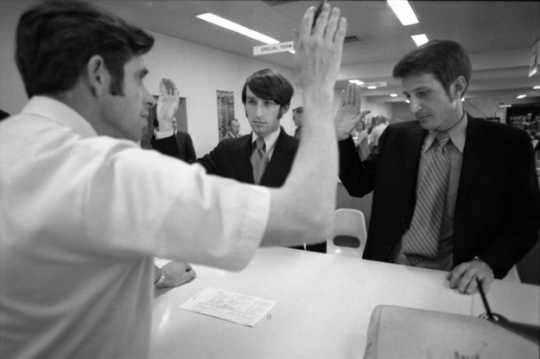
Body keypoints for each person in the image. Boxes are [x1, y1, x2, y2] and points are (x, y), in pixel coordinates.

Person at [0, 1, 346, 358]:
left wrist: (159, 277)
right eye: (139, 78)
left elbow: (78, 272)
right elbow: (311, 214)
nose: (148, 97)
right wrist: (318, 88)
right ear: (98, 74)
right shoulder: (110, 172)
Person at [336, 40, 539, 295]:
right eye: (408, 96)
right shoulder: (397, 136)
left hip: (457, 281)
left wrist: (488, 264)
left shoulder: (507, 145)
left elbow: (525, 222)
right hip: (389, 269)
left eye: (423, 93)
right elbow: (358, 185)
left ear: (458, 88)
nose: (414, 107)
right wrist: (342, 137)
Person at [198, 69, 325, 252]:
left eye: (268, 104)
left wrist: (316, 267)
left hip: (284, 261)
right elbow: (185, 178)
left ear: (284, 108)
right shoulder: (227, 150)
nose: (258, 113)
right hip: (235, 257)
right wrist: (165, 129)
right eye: (252, 102)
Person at [147, 78, 197, 163]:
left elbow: (192, 158)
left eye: (174, 121)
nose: (173, 123)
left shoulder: (185, 137)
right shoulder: (154, 139)